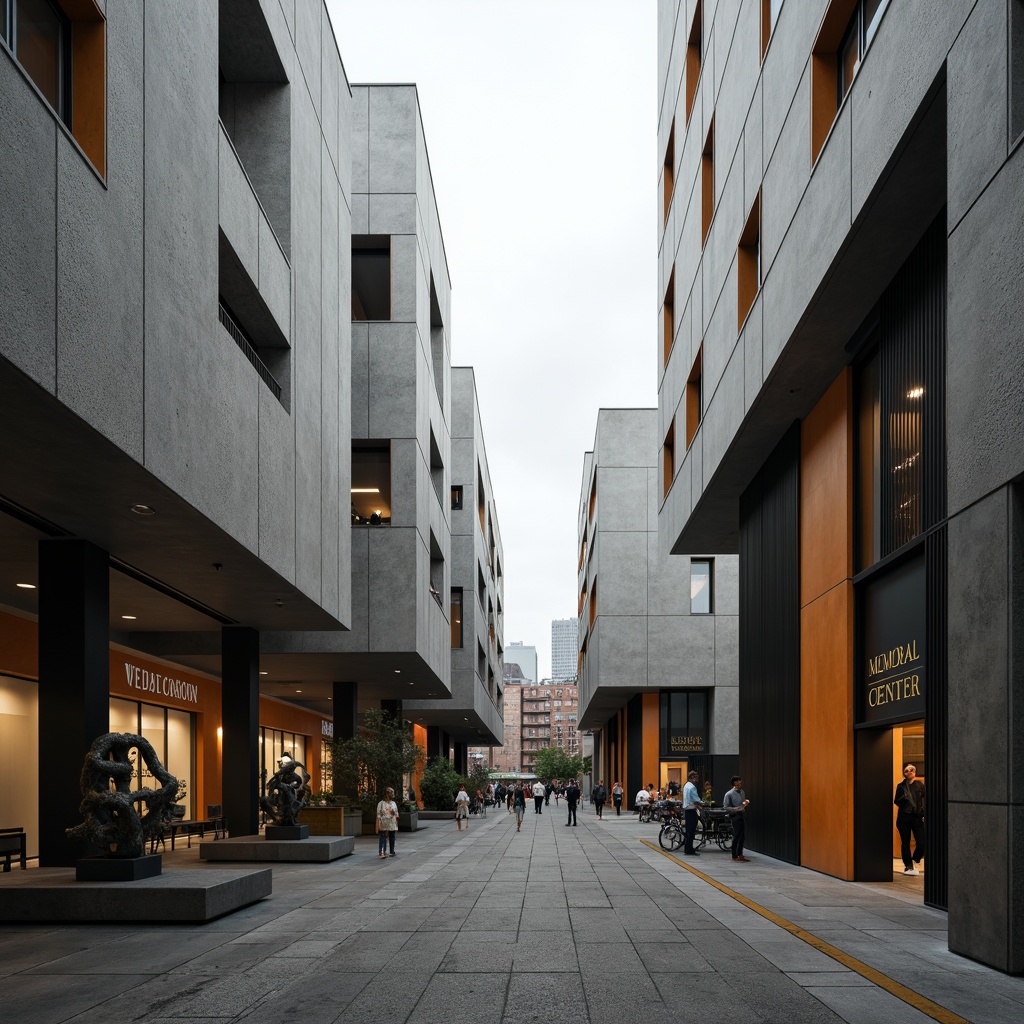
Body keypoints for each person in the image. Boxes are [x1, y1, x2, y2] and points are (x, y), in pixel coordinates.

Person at [894, 763, 925, 875]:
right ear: (904, 773)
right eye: (907, 770)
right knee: (905, 842)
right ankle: (908, 866)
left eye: (912, 769)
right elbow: (896, 800)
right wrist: (905, 797)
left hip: (917, 817)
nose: (910, 771)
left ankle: (915, 859)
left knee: (922, 842)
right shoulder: (901, 786)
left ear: (915, 772)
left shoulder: (920, 785)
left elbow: (924, 800)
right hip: (904, 817)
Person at [723, 776, 750, 862]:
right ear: (734, 783)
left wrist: (745, 804)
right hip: (734, 816)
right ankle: (734, 855)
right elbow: (726, 807)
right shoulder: (729, 794)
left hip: (741, 814)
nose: (740, 782)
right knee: (737, 835)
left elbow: (742, 803)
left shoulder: (742, 792)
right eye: (738, 781)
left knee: (742, 836)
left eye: (740, 780)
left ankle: (740, 854)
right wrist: (735, 809)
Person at [681, 771, 701, 856]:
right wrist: (702, 803)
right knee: (691, 830)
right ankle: (689, 849)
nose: (697, 779)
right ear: (691, 778)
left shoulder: (686, 785)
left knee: (689, 830)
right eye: (695, 777)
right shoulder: (692, 787)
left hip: (687, 810)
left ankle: (688, 848)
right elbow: (696, 799)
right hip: (691, 810)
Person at [376, 786, 399, 859]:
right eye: (392, 793)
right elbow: (378, 814)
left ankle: (392, 851)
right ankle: (382, 852)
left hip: (392, 823)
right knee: (383, 837)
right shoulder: (381, 803)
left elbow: (397, 814)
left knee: (392, 837)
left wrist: (394, 813)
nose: (393, 795)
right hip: (384, 823)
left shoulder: (393, 803)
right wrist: (379, 823)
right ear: (387, 794)